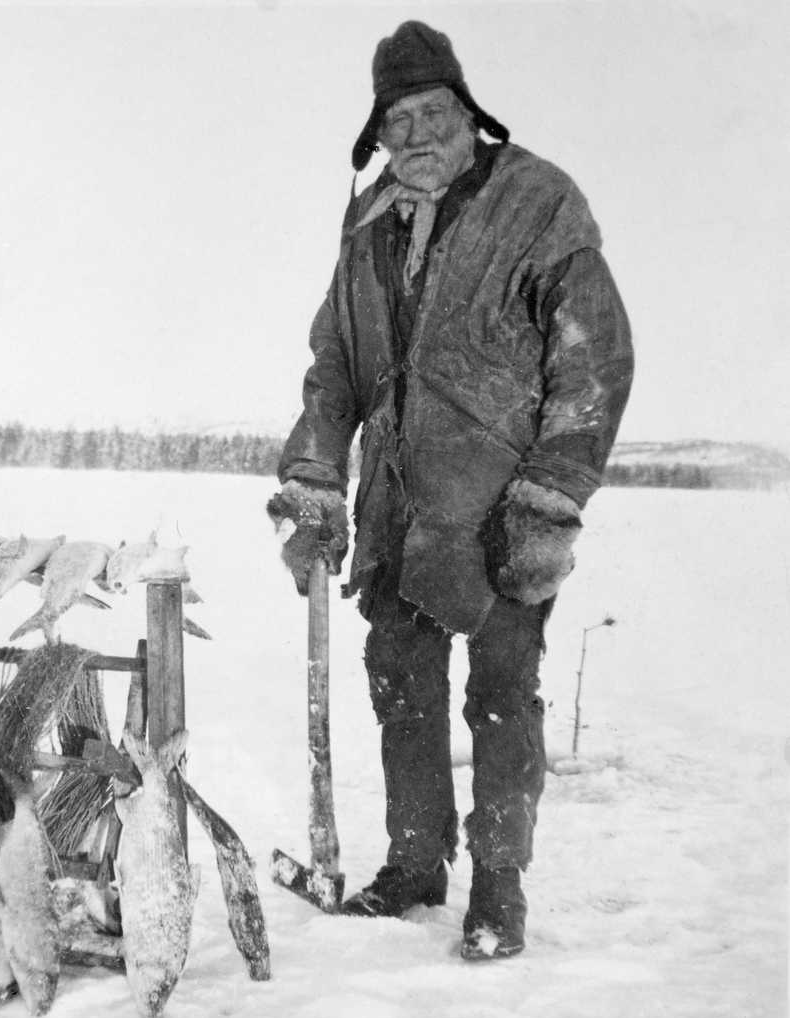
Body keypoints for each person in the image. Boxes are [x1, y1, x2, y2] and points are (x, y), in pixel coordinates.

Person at [268, 21, 634, 960]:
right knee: (400, 687)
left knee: (503, 695)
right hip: (395, 507)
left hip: (498, 510)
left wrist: (552, 497)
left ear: (469, 113)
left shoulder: (538, 204)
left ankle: (499, 888)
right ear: (379, 137)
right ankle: (415, 864)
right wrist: (314, 482)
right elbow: (334, 369)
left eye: (433, 112)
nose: (416, 135)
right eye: (398, 122)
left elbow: (592, 359)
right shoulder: (367, 227)